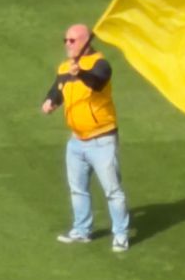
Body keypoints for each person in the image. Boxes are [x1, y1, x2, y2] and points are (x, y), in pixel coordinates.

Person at [41, 24, 130, 252]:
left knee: (113, 191)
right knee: (78, 189)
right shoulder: (65, 67)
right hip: (76, 141)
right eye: (65, 40)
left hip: (102, 140)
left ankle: (120, 234)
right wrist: (51, 101)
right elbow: (58, 88)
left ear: (85, 41)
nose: (67, 44)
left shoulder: (100, 64)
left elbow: (97, 82)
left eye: (72, 40)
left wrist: (79, 72)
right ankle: (82, 230)